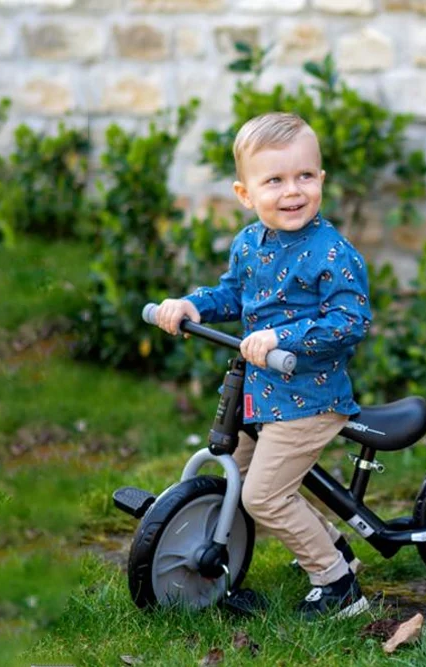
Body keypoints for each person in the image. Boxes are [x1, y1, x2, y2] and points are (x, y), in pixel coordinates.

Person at [155, 112, 372, 619]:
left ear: (321, 180)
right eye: (274, 180)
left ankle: (338, 586)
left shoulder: (332, 253)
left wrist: (284, 336)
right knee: (247, 479)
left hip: (310, 399)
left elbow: (350, 320)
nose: (292, 191)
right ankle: (333, 547)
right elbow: (234, 293)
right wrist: (192, 305)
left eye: (304, 176)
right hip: (262, 394)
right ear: (245, 194)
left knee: (265, 496)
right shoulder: (250, 243)